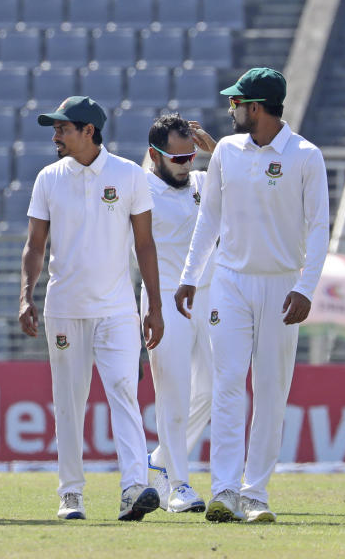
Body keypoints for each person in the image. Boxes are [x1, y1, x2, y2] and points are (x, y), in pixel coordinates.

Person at [175, 68, 329, 524]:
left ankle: (255, 493)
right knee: (226, 384)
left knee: (271, 391)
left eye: (236, 103)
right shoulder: (225, 150)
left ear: (255, 107)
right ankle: (224, 489)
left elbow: (319, 227)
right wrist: (190, 274)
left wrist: (305, 287)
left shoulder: (306, 155)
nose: (230, 109)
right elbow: (210, 219)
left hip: (283, 285)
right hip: (230, 281)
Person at [18, 96, 164, 522]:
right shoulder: (48, 178)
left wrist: (153, 306)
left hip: (117, 310)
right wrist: (27, 295)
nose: (55, 135)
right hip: (64, 308)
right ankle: (71, 494)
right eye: (55, 128)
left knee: (124, 392)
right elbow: (35, 245)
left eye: (63, 128)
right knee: (68, 401)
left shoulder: (129, 175)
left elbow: (145, 245)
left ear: (88, 131)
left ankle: (134, 487)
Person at [141, 114, 218, 513]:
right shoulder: (141, 190)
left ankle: (159, 460)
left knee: (212, 390)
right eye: (178, 158)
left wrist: (214, 150)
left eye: (191, 156)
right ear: (154, 155)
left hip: (208, 298)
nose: (187, 165)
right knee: (173, 393)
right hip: (163, 300)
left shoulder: (204, 182)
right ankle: (179, 486)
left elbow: (246, 180)